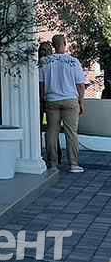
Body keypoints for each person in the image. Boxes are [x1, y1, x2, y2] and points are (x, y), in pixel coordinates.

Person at [40, 34, 86, 173]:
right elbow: (80, 85)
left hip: (52, 100)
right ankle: (74, 164)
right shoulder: (74, 61)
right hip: (70, 100)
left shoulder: (45, 61)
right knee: (71, 133)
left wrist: (44, 98)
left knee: (51, 132)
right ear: (65, 43)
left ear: (53, 45)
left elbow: (41, 84)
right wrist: (81, 102)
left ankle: (53, 164)